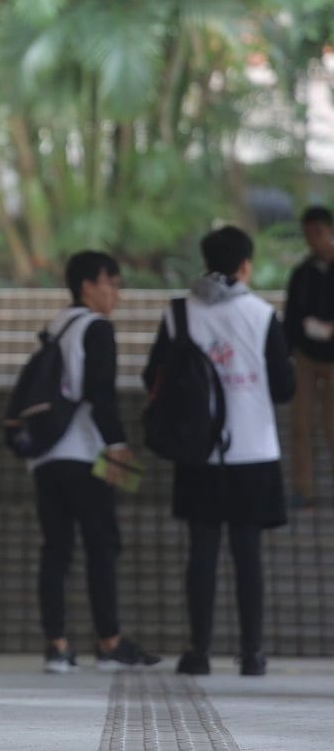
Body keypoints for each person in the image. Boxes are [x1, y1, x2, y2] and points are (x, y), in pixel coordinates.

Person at [143, 226, 295, 676]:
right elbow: (285, 388)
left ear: (205, 262)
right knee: (248, 554)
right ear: (245, 265)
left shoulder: (179, 314)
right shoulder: (263, 314)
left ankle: (198, 651)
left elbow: (153, 377)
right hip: (253, 449)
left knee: (202, 553)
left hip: (198, 451)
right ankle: (252, 653)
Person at [29, 251, 160, 674]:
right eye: (111, 282)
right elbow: (100, 392)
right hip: (87, 453)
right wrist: (118, 445)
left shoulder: (56, 326)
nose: (116, 292)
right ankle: (109, 642)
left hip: (46, 456)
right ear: (88, 284)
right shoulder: (97, 328)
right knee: (102, 545)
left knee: (56, 549)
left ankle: (57, 646)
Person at [283, 205, 334, 510]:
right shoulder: (301, 273)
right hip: (304, 356)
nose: (313, 239)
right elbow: (290, 316)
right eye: (308, 234)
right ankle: (304, 489)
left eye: (318, 232)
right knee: (301, 424)